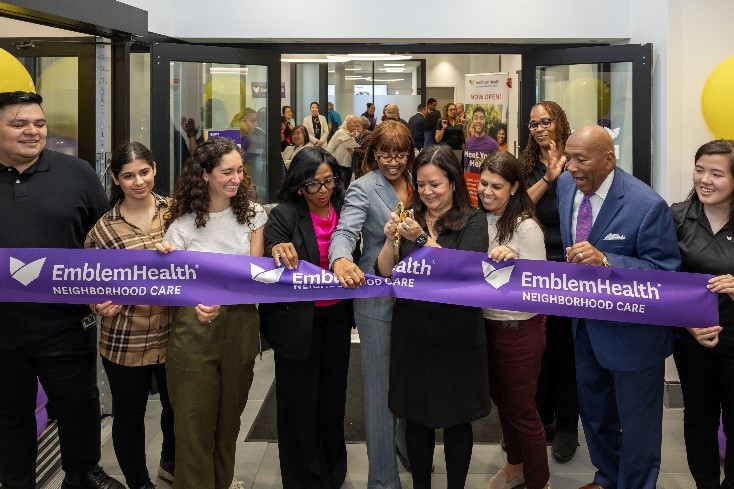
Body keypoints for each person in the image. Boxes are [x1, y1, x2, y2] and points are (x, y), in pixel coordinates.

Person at [0, 91, 122, 489]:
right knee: (9, 415)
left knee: (79, 406)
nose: (32, 132)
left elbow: (103, 239)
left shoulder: (77, 173)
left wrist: (108, 288)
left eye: (39, 123)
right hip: (3, 330)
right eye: (19, 124)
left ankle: (82, 474)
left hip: (68, 322)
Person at [558, 125, 681, 489]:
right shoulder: (566, 186)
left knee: (638, 427)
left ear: (609, 160)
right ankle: (607, 478)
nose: (571, 167)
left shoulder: (647, 206)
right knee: (595, 417)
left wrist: (607, 261)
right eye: (568, 157)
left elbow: (665, 274)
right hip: (584, 330)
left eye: (581, 159)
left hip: (633, 340)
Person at [376, 144, 490, 489]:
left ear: (453, 183)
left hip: (458, 332)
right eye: (421, 184)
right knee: (416, 418)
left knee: (458, 419)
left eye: (435, 184)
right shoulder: (409, 216)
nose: (427, 192)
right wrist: (388, 239)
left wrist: (422, 238)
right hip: (414, 330)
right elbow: (387, 272)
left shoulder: (473, 220)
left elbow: (462, 271)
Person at [157, 137, 267, 489]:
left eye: (239, 170)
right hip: (194, 329)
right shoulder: (182, 227)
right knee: (193, 425)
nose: (235, 178)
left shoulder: (253, 215)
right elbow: (174, 286)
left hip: (241, 325)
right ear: (204, 175)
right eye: (226, 172)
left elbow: (254, 275)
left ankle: (223, 481)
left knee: (228, 422)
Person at [329, 120, 415, 489]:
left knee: (412, 381)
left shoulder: (422, 180)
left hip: (420, 298)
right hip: (377, 299)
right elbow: (346, 231)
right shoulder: (363, 188)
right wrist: (339, 260)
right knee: (379, 392)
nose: (392, 162)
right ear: (372, 154)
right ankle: (382, 480)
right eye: (384, 155)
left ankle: (408, 449)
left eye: (399, 155)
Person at [260, 147, 352, 488]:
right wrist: (276, 250)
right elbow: (273, 244)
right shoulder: (286, 214)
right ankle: (304, 479)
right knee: (299, 405)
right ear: (299, 185)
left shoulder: (344, 210)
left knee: (333, 399)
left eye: (329, 181)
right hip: (298, 323)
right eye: (313, 184)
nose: (323, 189)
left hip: (337, 321)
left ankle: (333, 471)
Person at [85, 142, 175, 489]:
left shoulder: (177, 212)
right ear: (115, 179)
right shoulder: (104, 230)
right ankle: (140, 483)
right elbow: (89, 284)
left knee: (177, 409)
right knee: (129, 416)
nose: (138, 181)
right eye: (128, 175)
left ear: (154, 169)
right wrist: (97, 303)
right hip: (124, 339)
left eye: (144, 172)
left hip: (173, 333)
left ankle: (171, 463)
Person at [476, 152, 549, 489]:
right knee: (502, 405)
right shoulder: (480, 220)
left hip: (520, 330)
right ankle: (514, 467)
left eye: (497, 186)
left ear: (515, 186)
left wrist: (515, 262)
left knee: (523, 412)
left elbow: (538, 289)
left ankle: (539, 481)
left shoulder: (527, 228)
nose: (487, 192)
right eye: (484, 184)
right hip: (487, 327)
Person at [670, 139, 734, 489]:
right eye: (699, 170)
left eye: (716, 173)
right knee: (699, 419)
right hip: (693, 338)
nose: (705, 180)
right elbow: (662, 281)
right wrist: (687, 322)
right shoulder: (677, 216)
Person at [520, 101, 579, 463]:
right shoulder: (525, 167)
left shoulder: (579, 160)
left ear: (560, 123)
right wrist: (548, 178)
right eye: (533, 125)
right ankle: (540, 419)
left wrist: (566, 171)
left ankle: (569, 424)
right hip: (536, 268)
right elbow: (517, 207)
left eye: (546, 121)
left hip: (572, 269)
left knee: (566, 349)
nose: (540, 129)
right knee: (538, 349)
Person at [464, 106, 499, 173]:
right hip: (471, 182)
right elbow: (465, 168)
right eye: (476, 118)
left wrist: (485, 165)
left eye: (481, 118)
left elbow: (498, 170)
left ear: (485, 120)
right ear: (472, 120)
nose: (478, 121)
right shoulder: (468, 143)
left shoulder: (493, 144)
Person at [326, 114, 359, 185]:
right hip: (340, 164)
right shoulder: (340, 132)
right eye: (354, 123)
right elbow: (329, 148)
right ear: (348, 123)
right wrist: (333, 161)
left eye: (357, 123)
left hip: (350, 165)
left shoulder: (357, 134)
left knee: (347, 184)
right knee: (340, 185)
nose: (356, 125)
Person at [351, 116, 373, 180]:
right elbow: (356, 146)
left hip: (365, 166)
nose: (356, 128)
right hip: (358, 165)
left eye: (358, 126)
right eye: (355, 126)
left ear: (364, 125)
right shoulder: (359, 135)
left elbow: (367, 153)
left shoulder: (369, 136)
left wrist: (354, 151)